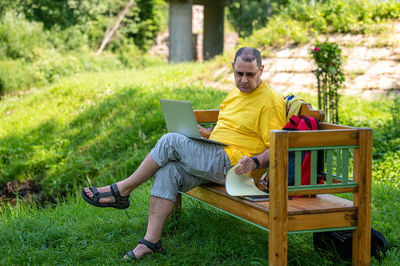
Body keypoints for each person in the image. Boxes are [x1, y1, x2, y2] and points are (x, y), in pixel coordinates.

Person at [81, 47, 286, 260]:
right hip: (217, 152)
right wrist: (205, 133)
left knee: (170, 141)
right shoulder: (236, 92)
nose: (243, 80)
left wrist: (254, 162)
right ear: (232, 69)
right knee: (169, 171)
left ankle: (122, 190)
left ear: (261, 70)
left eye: (250, 74)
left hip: (236, 167)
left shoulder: (270, 102)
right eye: (239, 74)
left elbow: (278, 147)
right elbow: (234, 129)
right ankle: (150, 242)